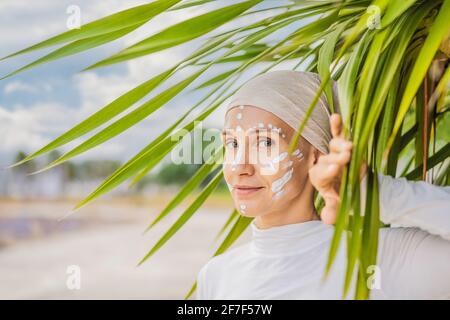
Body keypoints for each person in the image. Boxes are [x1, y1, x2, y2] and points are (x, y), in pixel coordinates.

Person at [196, 70, 450, 299]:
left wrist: (374, 193)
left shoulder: (380, 258)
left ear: (316, 155)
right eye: (232, 144)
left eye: (265, 143)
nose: (240, 167)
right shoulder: (216, 276)